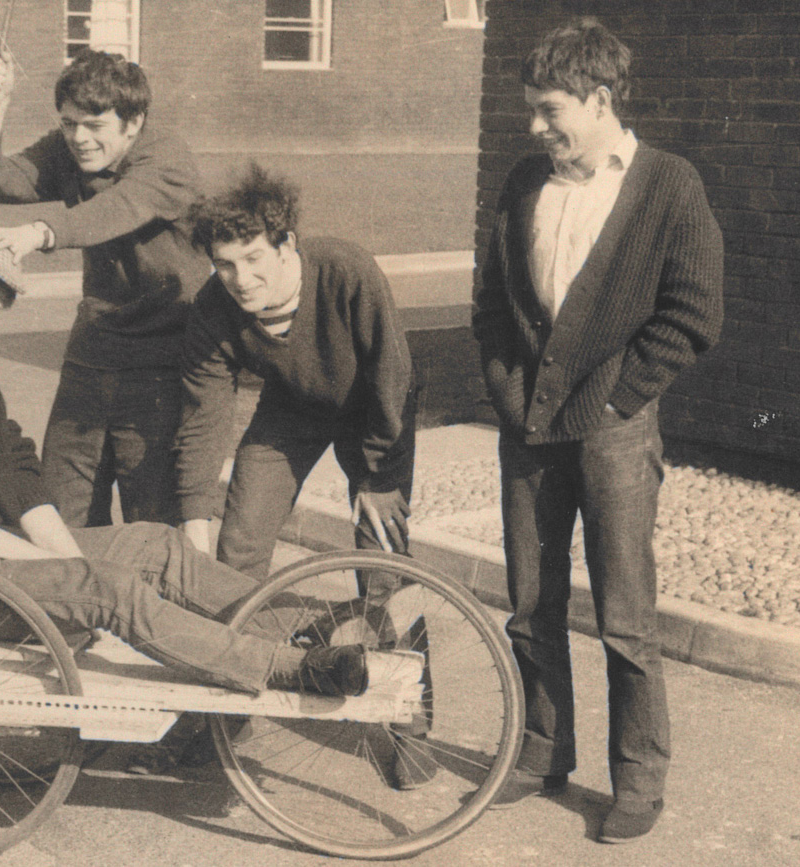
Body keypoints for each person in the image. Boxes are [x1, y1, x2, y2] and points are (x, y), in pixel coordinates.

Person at [0, 223, 371, 718]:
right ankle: (286, 667)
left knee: (156, 545)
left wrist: (62, 556)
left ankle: (306, 627)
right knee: (110, 589)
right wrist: (49, 562)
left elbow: (22, 481)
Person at [473, 19, 723, 842]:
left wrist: (619, 401)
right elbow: (491, 303)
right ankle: (542, 749)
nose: (535, 127)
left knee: (625, 614)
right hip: (528, 427)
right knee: (529, 603)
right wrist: (509, 394)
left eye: (549, 111)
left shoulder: (669, 185)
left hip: (615, 432)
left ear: (601, 100)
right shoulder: (523, 182)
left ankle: (639, 778)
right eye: (531, 110)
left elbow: (693, 313)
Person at [0, 47, 209, 529]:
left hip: (163, 360)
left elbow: (115, 210)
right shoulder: (68, 148)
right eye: (69, 123)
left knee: (152, 524)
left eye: (94, 126)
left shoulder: (167, 158)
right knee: (62, 512)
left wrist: (40, 232)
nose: (79, 138)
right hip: (93, 353)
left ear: (133, 122)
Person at [175, 165, 416, 582]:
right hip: (291, 408)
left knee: (379, 542)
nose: (241, 280)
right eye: (225, 264)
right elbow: (203, 418)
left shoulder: (346, 269)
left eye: (253, 258)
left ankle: (392, 625)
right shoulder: (212, 308)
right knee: (240, 539)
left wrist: (380, 477)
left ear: (285, 245)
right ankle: (240, 623)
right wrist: (193, 518)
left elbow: (391, 374)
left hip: (371, 409)